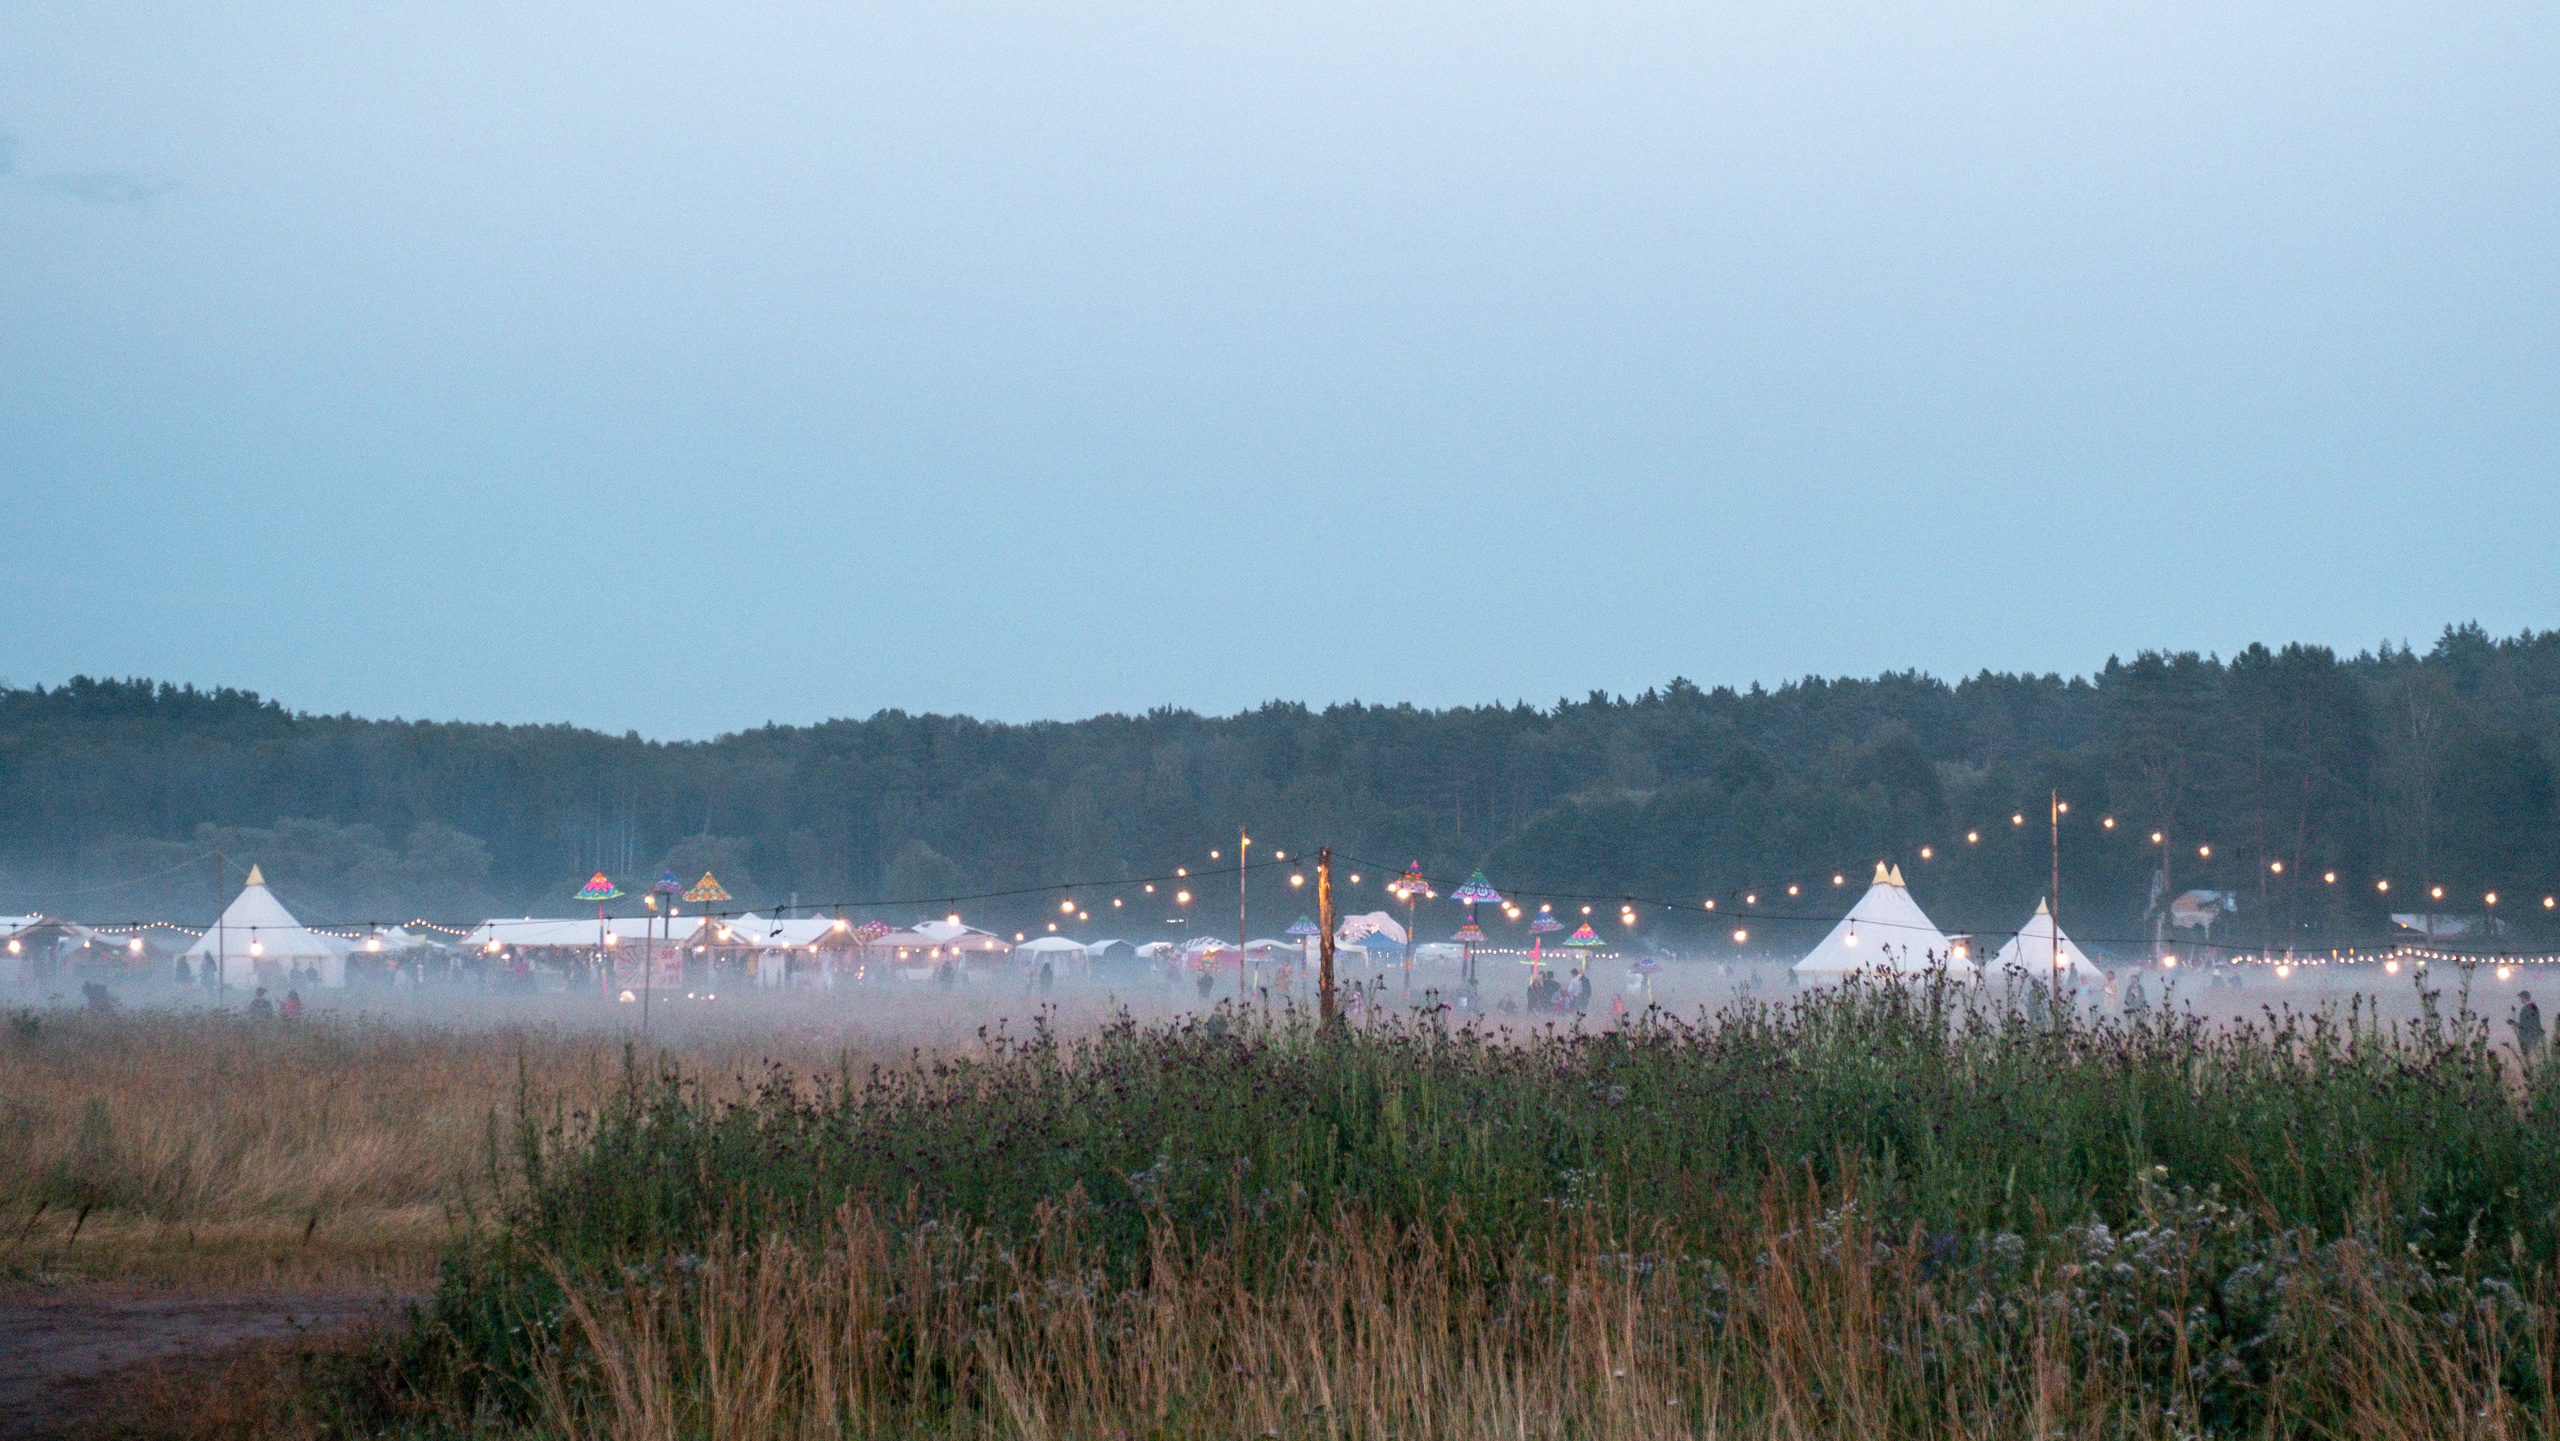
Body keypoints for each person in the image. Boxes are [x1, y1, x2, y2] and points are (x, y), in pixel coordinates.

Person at [2516, 990, 2544, 1063]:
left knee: (2528, 1057)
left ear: (2524, 998)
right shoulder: (2534, 1007)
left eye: (2521, 997)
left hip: (2528, 1037)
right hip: (2534, 1036)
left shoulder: (2526, 1009)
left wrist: (2524, 1037)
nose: (2520, 999)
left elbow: (2526, 1025)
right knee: (2534, 1056)